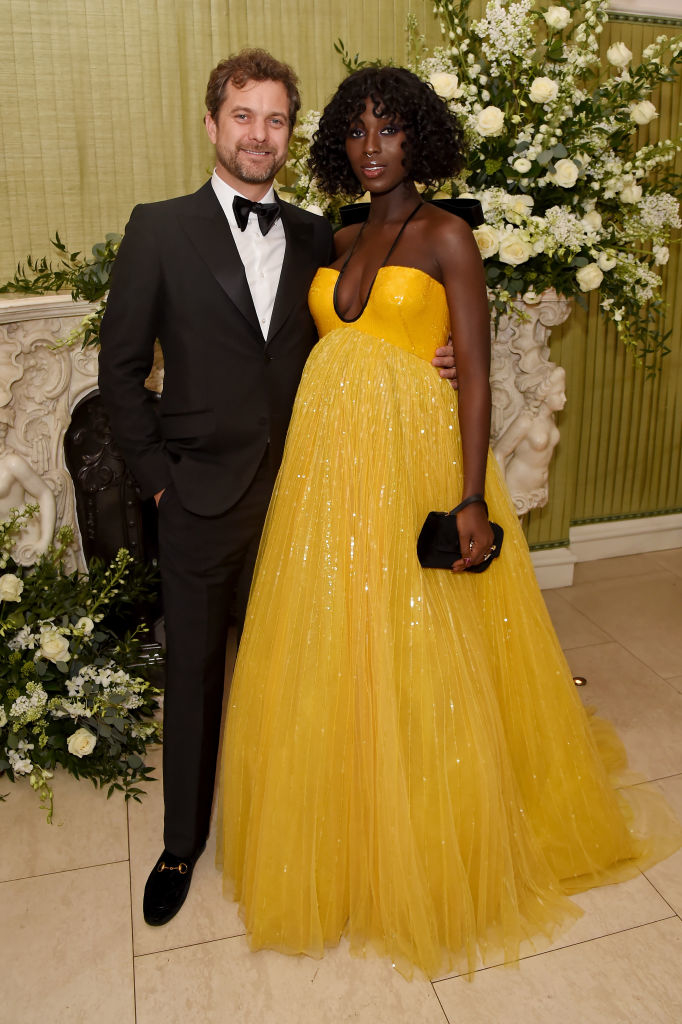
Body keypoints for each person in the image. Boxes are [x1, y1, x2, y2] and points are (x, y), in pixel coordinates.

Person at [217, 66, 681, 979]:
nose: (371, 145)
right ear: (338, 145)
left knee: (426, 641)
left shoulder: (447, 235)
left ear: (418, 137)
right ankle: (349, 835)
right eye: (355, 131)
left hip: (414, 462)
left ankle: (434, 830)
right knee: (338, 643)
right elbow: (331, 344)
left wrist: (470, 495)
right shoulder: (341, 232)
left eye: (389, 128)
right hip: (327, 470)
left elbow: (475, 372)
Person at [97, 50, 457, 929]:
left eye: (276, 120)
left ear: (291, 137)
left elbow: (360, 321)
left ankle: (297, 820)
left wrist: (428, 352)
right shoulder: (158, 227)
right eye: (244, 116)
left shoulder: (315, 235)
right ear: (214, 124)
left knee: (307, 671)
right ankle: (182, 842)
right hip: (196, 498)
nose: (260, 134)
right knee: (194, 674)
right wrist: (158, 490)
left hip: (309, 492)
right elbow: (117, 374)